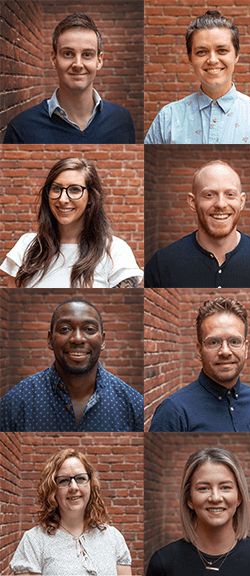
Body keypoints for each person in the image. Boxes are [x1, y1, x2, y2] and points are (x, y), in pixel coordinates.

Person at [144, 10, 250, 144]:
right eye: (201, 52)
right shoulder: (167, 118)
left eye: (222, 50)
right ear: (190, 58)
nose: (212, 60)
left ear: (236, 55)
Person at [0, 298, 143, 432]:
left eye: (89, 329)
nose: (78, 339)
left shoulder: (134, 404)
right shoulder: (14, 404)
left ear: (103, 340)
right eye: (64, 329)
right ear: (50, 339)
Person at [144, 160, 250, 288]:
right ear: (193, 202)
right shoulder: (161, 264)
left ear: (242, 201)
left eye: (230, 194)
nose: (221, 204)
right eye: (209, 195)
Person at [1, 157, 142, 288]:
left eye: (75, 190)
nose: (63, 199)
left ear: (91, 197)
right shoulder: (26, 246)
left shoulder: (115, 251)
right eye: (56, 188)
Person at [146, 447, 250, 576]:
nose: (215, 498)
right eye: (203, 488)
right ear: (189, 499)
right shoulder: (163, 563)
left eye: (225, 487)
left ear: (239, 497)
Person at [3, 13, 135, 144]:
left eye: (87, 54)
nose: (77, 64)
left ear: (99, 61)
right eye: (68, 54)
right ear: (54, 59)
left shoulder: (122, 119)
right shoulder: (21, 128)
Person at [149, 298, 250, 432]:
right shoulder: (173, 411)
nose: (225, 351)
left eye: (234, 341)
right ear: (199, 350)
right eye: (214, 342)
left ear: (246, 348)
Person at [9, 448, 132, 575]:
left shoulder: (113, 538)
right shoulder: (34, 541)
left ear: (91, 485)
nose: (73, 487)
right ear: (52, 489)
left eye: (80, 478)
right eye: (63, 480)